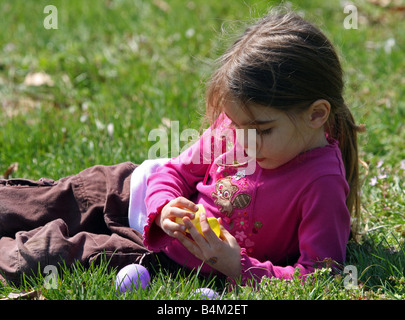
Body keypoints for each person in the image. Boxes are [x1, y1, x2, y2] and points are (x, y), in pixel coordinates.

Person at [0, 9, 362, 287]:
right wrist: (163, 207)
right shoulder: (237, 127)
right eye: (236, 127)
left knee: (38, 257)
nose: (244, 142)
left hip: (158, 252)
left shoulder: (321, 184)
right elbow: (173, 172)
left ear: (316, 115)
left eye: (262, 131)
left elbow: (320, 276)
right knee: (21, 205)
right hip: (128, 189)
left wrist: (237, 266)